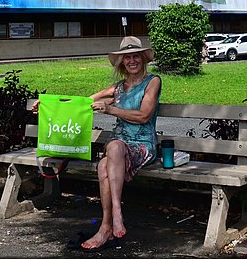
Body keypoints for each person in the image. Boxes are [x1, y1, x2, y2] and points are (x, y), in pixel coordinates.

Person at [33, 36, 162, 251]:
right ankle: (105, 228)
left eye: (135, 56)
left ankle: (115, 216)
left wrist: (110, 109)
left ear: (143, 59)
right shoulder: (118, 88)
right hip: (118, 148)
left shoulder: (153, 81)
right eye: (126, 57)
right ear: (122, 62)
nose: (132, 61)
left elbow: (144, 116)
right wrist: (46, 104)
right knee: (104, 163)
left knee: (113, 147)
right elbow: (80, 103)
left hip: (141, 145)